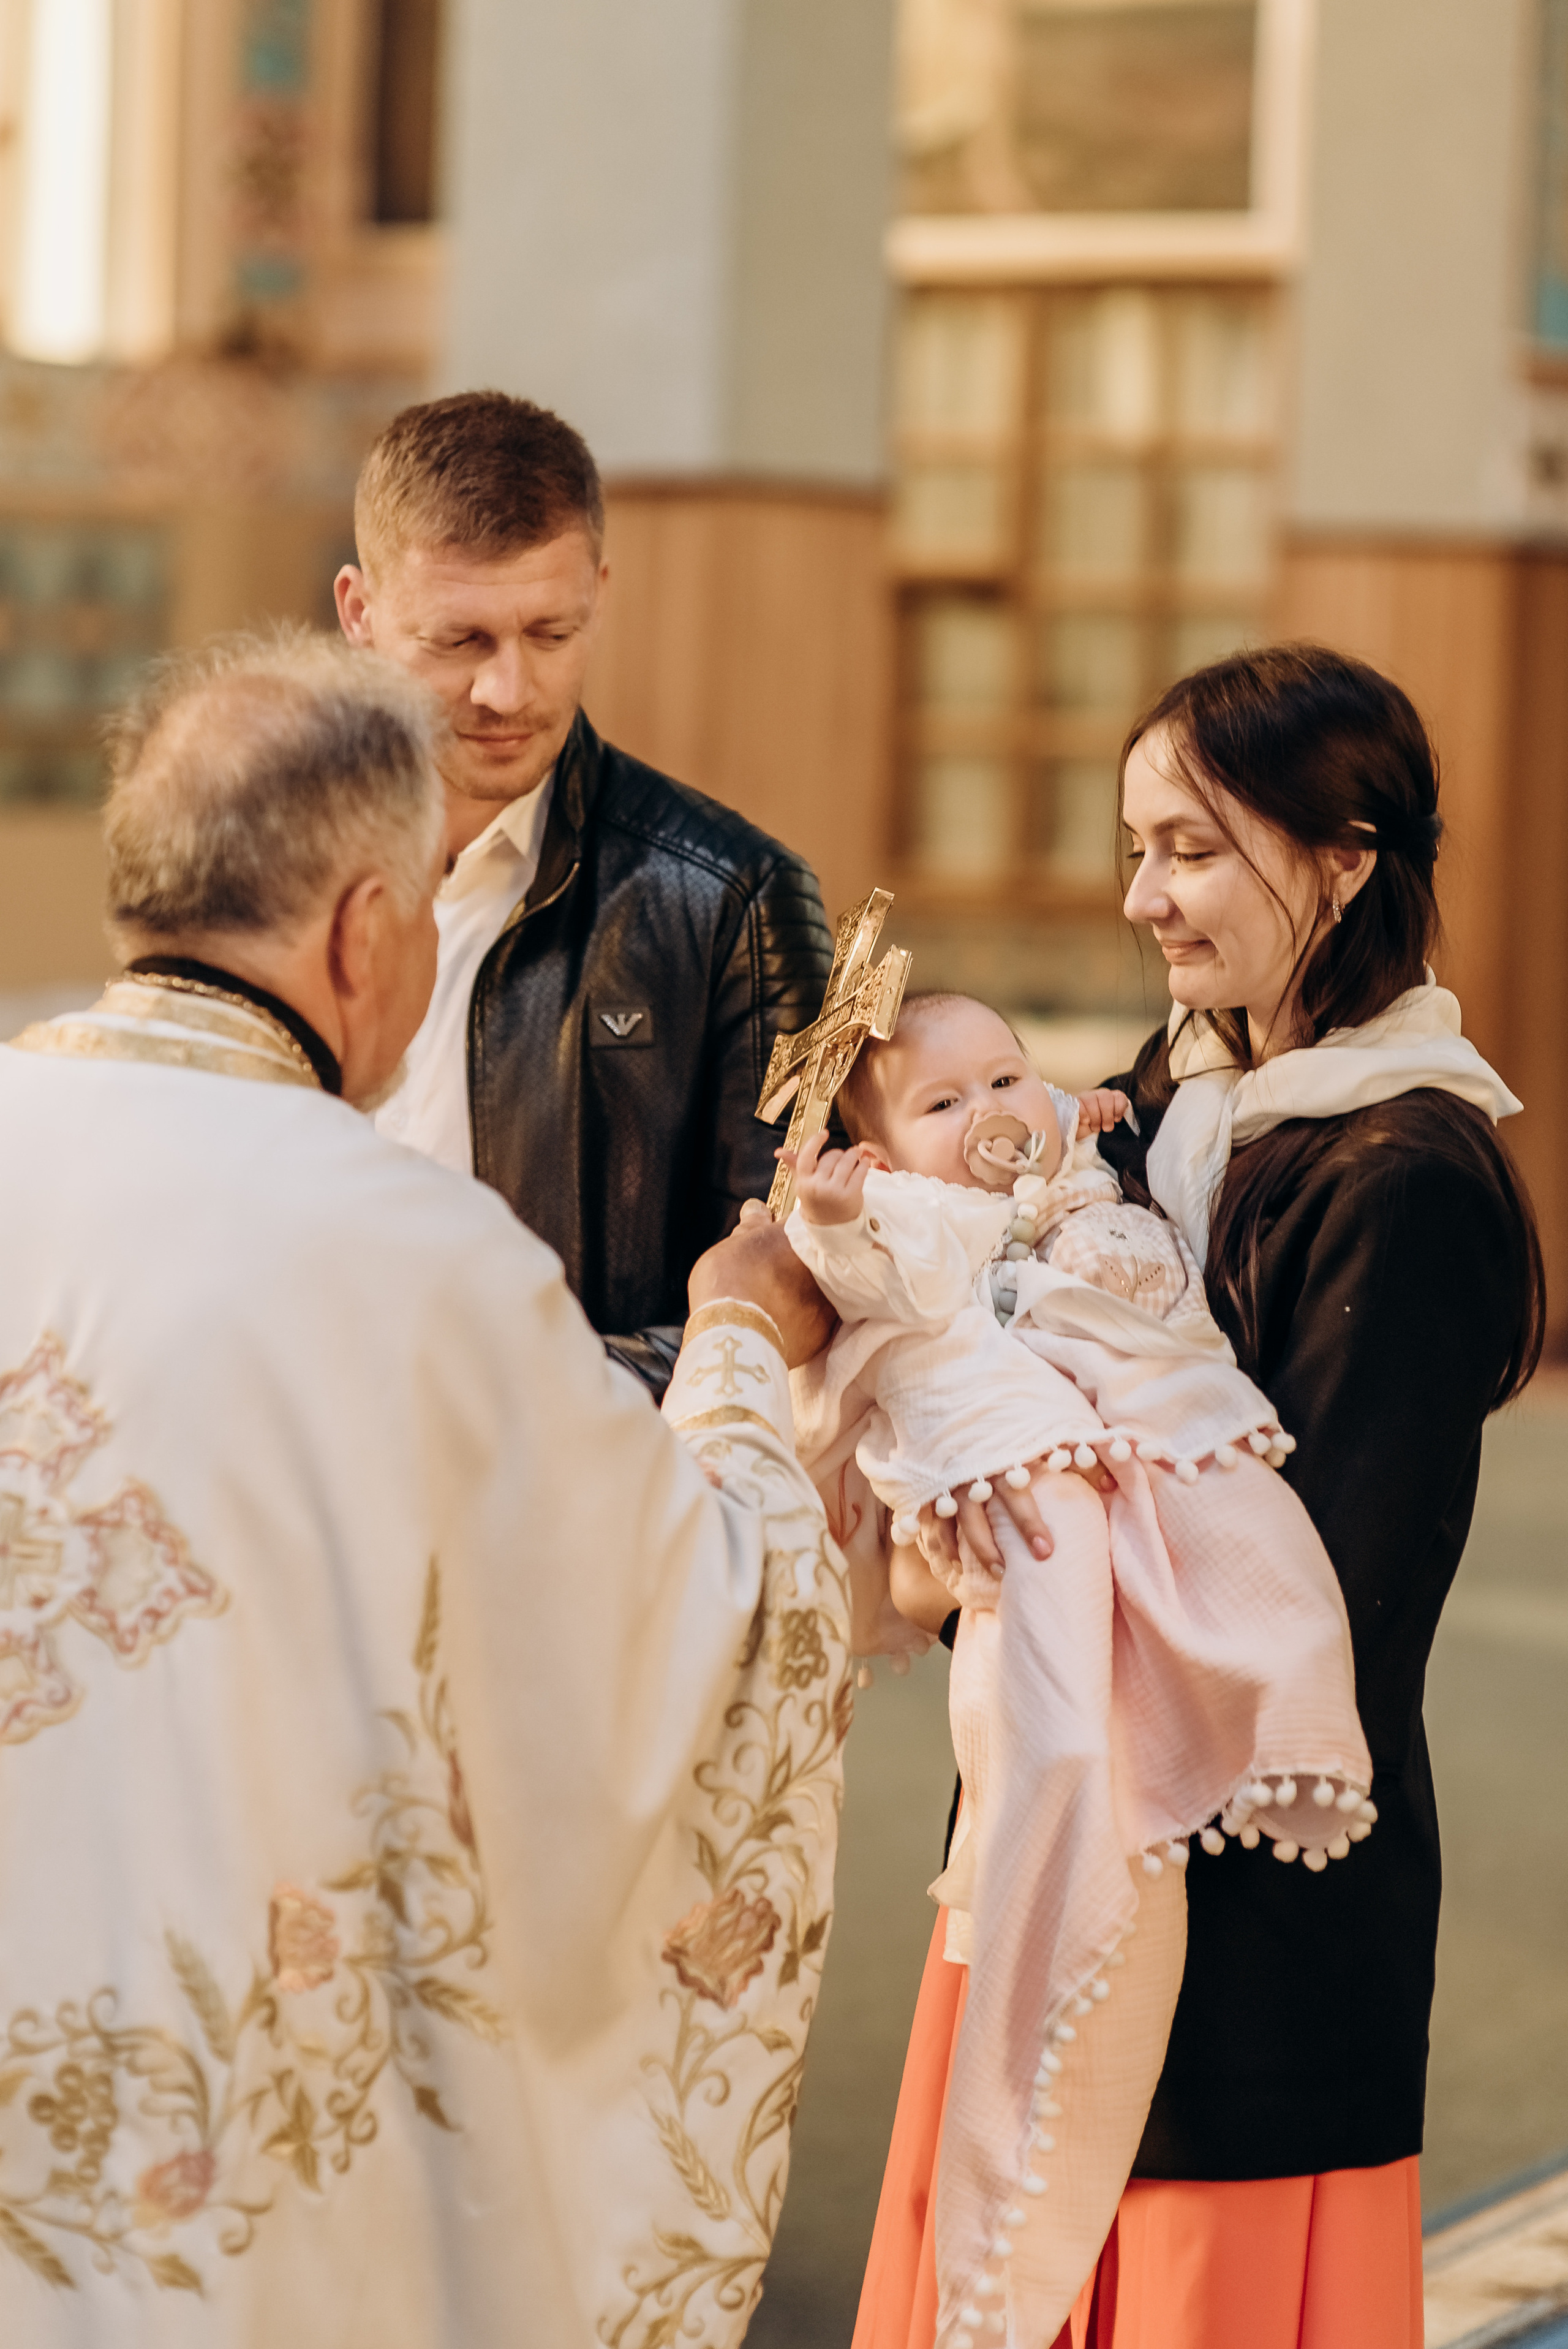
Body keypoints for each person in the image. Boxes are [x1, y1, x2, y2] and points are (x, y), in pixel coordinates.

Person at [0, 630, 849, 2349]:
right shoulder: (417, 1259)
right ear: (365, 930)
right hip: (220, 2186)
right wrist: (744, 1349)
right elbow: (691, 1619)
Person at [854, 644, 1544, 2349]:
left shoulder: (1404, 1175)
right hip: (1045, 1846)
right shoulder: (1172, 1105)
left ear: (1344, 859)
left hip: (1246, 1922)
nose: (1140, 895)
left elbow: (1329, 1602)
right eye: (1135, 844)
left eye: (1192, 848)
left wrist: (1017, 1555)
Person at [783, 993, 1371, 2346]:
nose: (990, 1110)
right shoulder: (915, 1224)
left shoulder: (1075, 1165)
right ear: (877, 1157)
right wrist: (830, 1215)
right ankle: (1070, 1792)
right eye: (943, 1104)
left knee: (1238, 1552)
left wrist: (1075, 1129)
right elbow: (881, 1293)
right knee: (1042, 1719)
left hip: (1142, 1440)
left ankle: (1251, 1698)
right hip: (1023, 1473)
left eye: (1006, 1075)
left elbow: (1078, 1186)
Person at [334, 390, 835, 1393]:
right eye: (459, 641)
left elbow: (802, 1290)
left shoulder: (735, 901)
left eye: (550, 634)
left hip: (583, 1501)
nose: (507, 692)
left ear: (599, 593)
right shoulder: (274, 870)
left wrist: (497, 1409)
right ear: (360, 613)